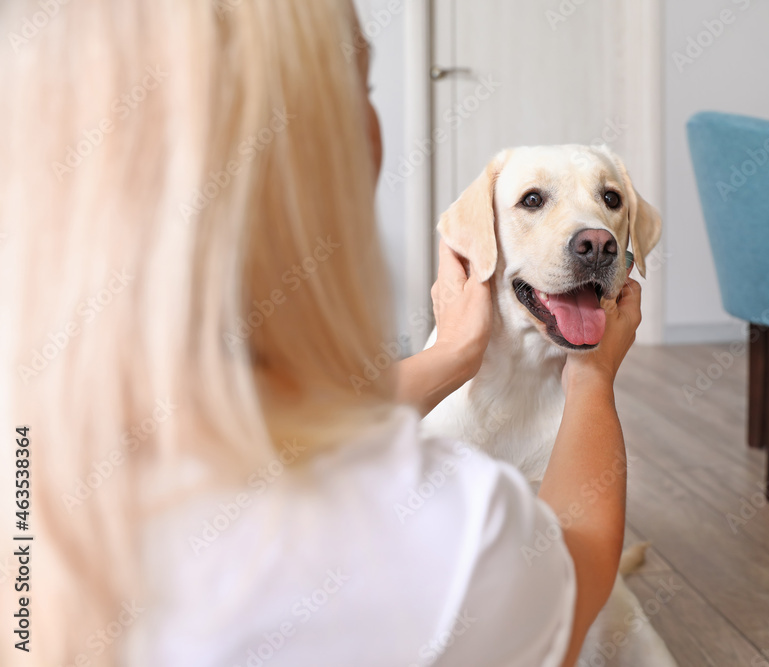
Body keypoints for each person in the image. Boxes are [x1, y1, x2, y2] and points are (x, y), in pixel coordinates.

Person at [0, 1, 642, 665]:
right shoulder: (445, 534)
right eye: (360, 87)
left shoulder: (28, 448)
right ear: (337, 150)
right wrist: (593, 380)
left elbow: (269, 429)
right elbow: (580, 576)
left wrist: (453, 353)